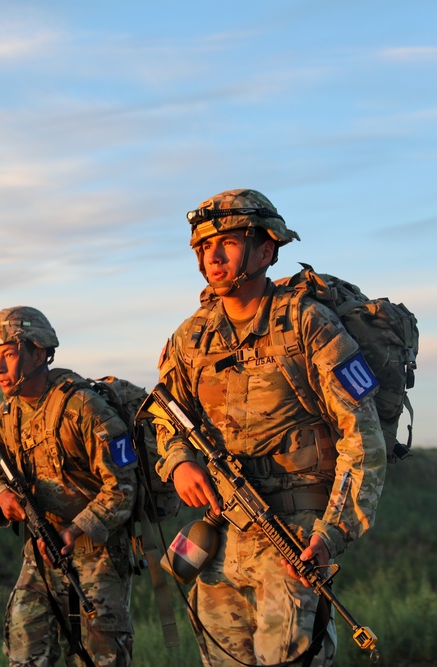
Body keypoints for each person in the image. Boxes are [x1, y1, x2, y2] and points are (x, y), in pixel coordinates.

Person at [154, 189, 387, 666]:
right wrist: (178, 462)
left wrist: (330, 534)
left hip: (295, 540)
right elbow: (163, 416)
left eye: (228, 243)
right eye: (202, 247)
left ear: (266, 248)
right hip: (222, 538)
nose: (212, 257)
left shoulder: (308, 326)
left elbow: (362, 440)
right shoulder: (191, 337)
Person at [0, 306, 138, 667]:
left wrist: (76, 529)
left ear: (39, 351)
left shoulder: (84, 408)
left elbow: (124, 486)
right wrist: (0, 495)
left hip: (97, 553)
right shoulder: (7, 415)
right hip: (42, 551)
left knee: (100, 658)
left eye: (9, 354)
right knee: (25, 650)